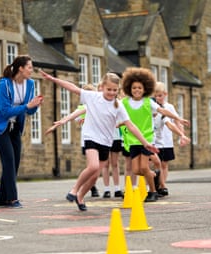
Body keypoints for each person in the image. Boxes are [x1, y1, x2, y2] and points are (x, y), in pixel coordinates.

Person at [40, 69, 158, 211]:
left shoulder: (118, 105)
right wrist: (53, 79)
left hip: (106, 142)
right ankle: (74, 190)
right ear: (102, 86)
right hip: (90, 136)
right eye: (109, 89)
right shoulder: (92, 97)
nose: (112, 93)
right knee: (93, 166)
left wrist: (146, 143)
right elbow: (72, 87)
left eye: (115, 90)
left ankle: (80, 197)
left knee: (95, 176)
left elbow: (131, 126)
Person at [121, 67, 190, 202]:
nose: (137, 90)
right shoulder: (124, 103)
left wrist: (178, 119)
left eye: (140, 88)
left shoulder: (148, 102)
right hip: (133, 140)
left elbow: (163, 112)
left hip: (147, 139)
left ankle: (152, 191)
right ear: (129, 88)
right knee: (136, 170)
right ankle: (154, 175)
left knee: (144, 167)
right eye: (134, 88)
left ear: (145, 89)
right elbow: (114, 113)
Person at [0, 55, 44, 208]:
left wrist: (35, 105)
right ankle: (12, 199)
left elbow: (29, 112)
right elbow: (5, 112)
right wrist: (27, 106)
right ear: (21, 68)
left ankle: (1, 199)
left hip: (15, 127)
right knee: (9, 160)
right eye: (30, 67)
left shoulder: (30, 84)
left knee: (14, 162)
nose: (32, 71)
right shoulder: (4, 84)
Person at [153, 82, 190, 196]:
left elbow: (177, 122)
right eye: (155, 96)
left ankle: (162, 185)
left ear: (165, 94)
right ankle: (158, 186)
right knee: (156, 164)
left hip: (167, 141)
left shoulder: (169, 107)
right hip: (154, 141)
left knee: (164, 164)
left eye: (160, 95)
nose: (158, 98)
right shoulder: (153, 107)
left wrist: (181, 136)